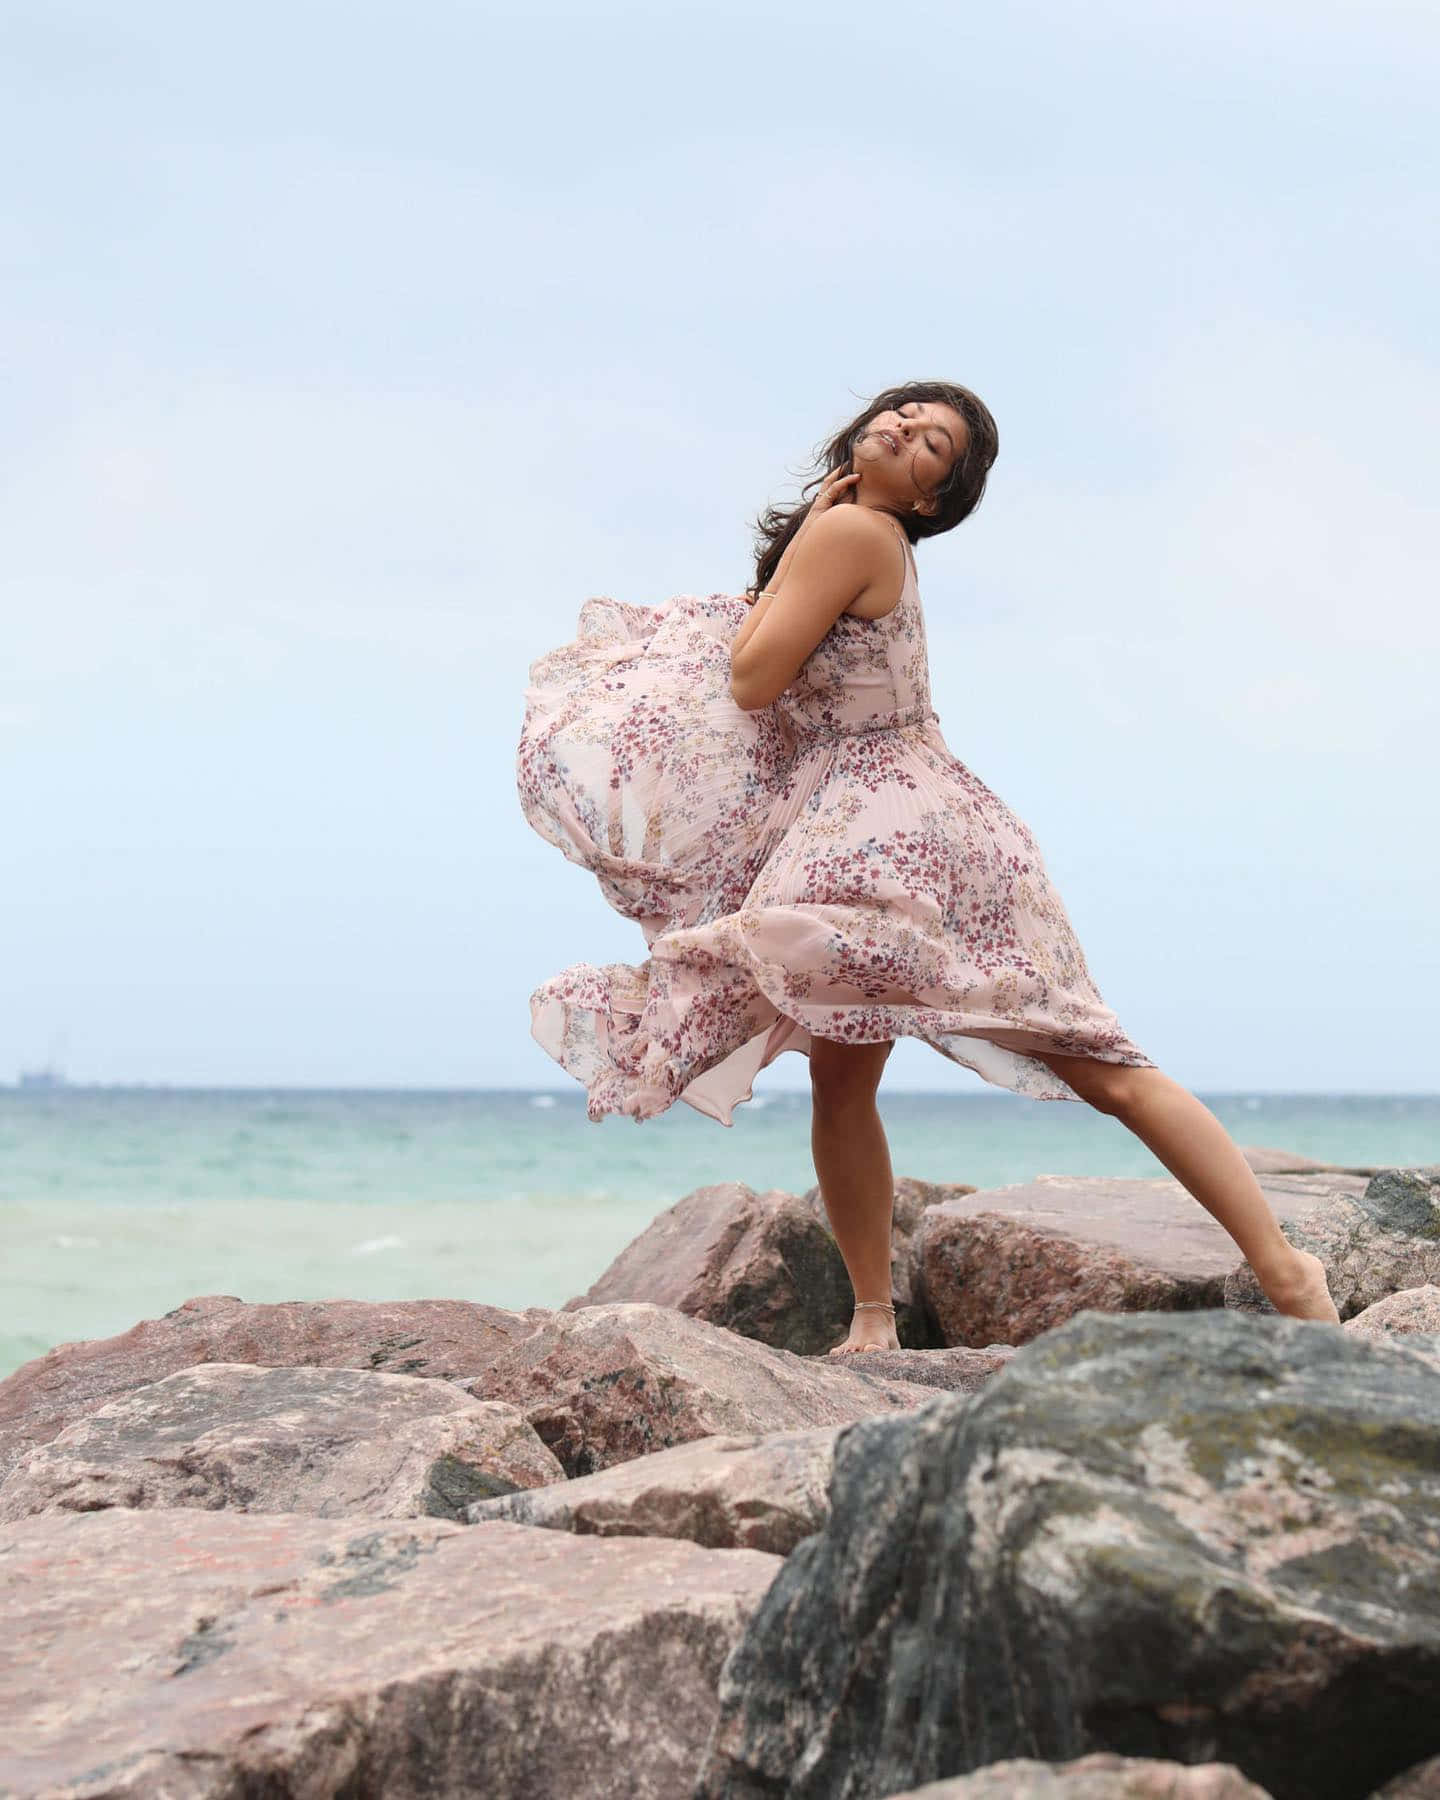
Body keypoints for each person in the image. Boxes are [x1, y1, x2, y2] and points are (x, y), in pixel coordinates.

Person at [516, 380, 1341, 1352]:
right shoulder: (856, 533)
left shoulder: (857, 534)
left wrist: (797, 554)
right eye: (906, 416)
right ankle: (874, 1320)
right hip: (903, 829)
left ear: (929, 502)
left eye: (932, 447)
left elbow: (752, 675)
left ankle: (1288, 1270)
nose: (907, 429)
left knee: (1097, 1064)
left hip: (897, 842)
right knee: (858, 1076)